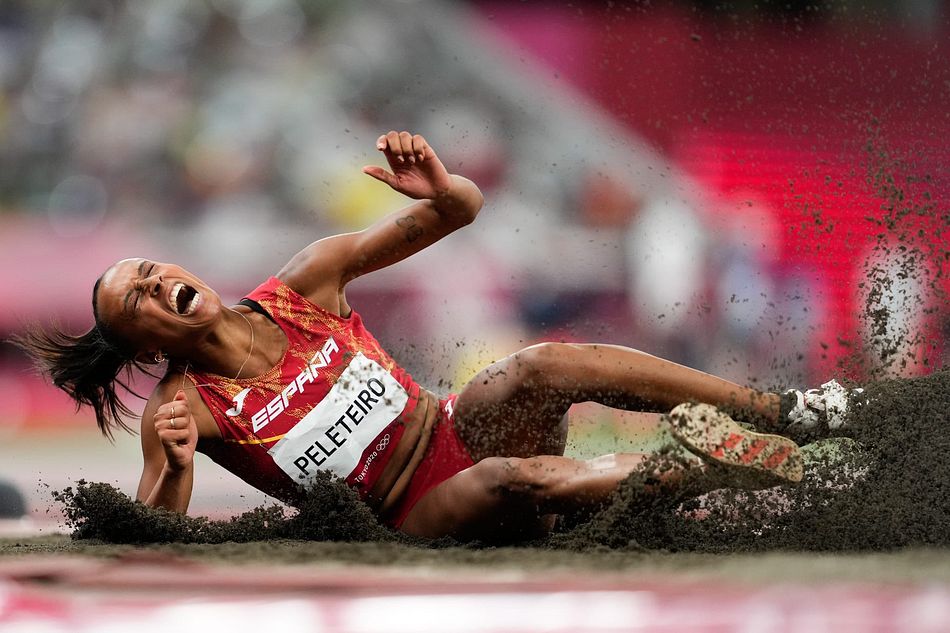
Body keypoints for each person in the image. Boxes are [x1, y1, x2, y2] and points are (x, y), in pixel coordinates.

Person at [14, 131, 856, 542]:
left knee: (546, 362)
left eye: (151, 270)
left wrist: (439, 186)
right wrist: (181, 472)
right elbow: (155, 536)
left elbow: (458, 214)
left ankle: (786, 411)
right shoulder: (183, 409)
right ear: (145, 341)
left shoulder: (305, 282)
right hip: (410, 510)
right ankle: (722, 467)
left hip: (449, 422)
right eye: (140, 301)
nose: (159, 284)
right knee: (507, 476)